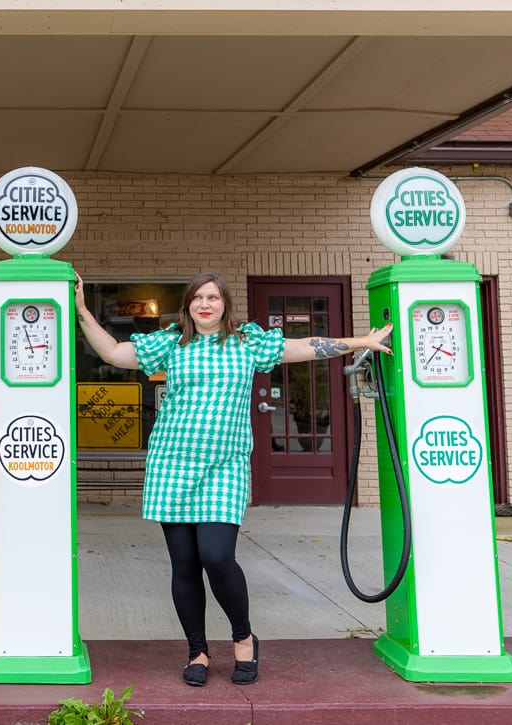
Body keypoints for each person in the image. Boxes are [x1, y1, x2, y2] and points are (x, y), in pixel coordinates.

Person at [74, 271, 391, 687]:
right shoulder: (171, 343)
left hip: (225, 466)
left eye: (213, 297)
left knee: (217, 557)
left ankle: (243, 637)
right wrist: (81, 310)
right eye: (197, 298)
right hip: (172, 464)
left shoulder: (248, 343)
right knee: (184, 565)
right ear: (188, 305)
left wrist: (359, 343)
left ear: (225, 304)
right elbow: (115, 352)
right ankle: (197, 651)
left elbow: (304, 347)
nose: (205, 304)